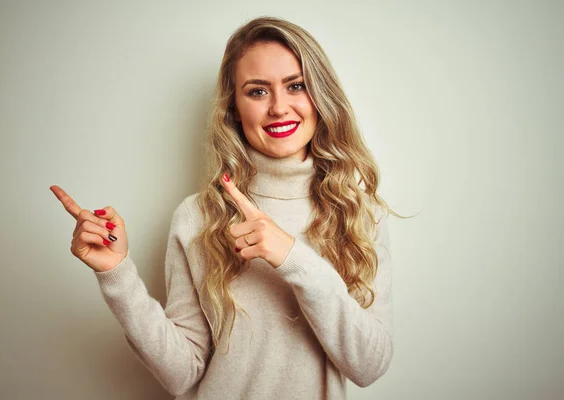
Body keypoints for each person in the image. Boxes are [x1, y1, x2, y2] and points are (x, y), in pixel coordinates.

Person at [51, 16, 403, 400]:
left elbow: (369, 365)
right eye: (257, 91)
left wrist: (293, 258)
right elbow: (182, 373)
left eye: (296, 86)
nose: (279, 107)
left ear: (320, 96)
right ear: (234, 108)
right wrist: (116, 275)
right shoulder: (197, 217)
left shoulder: (359, 212)